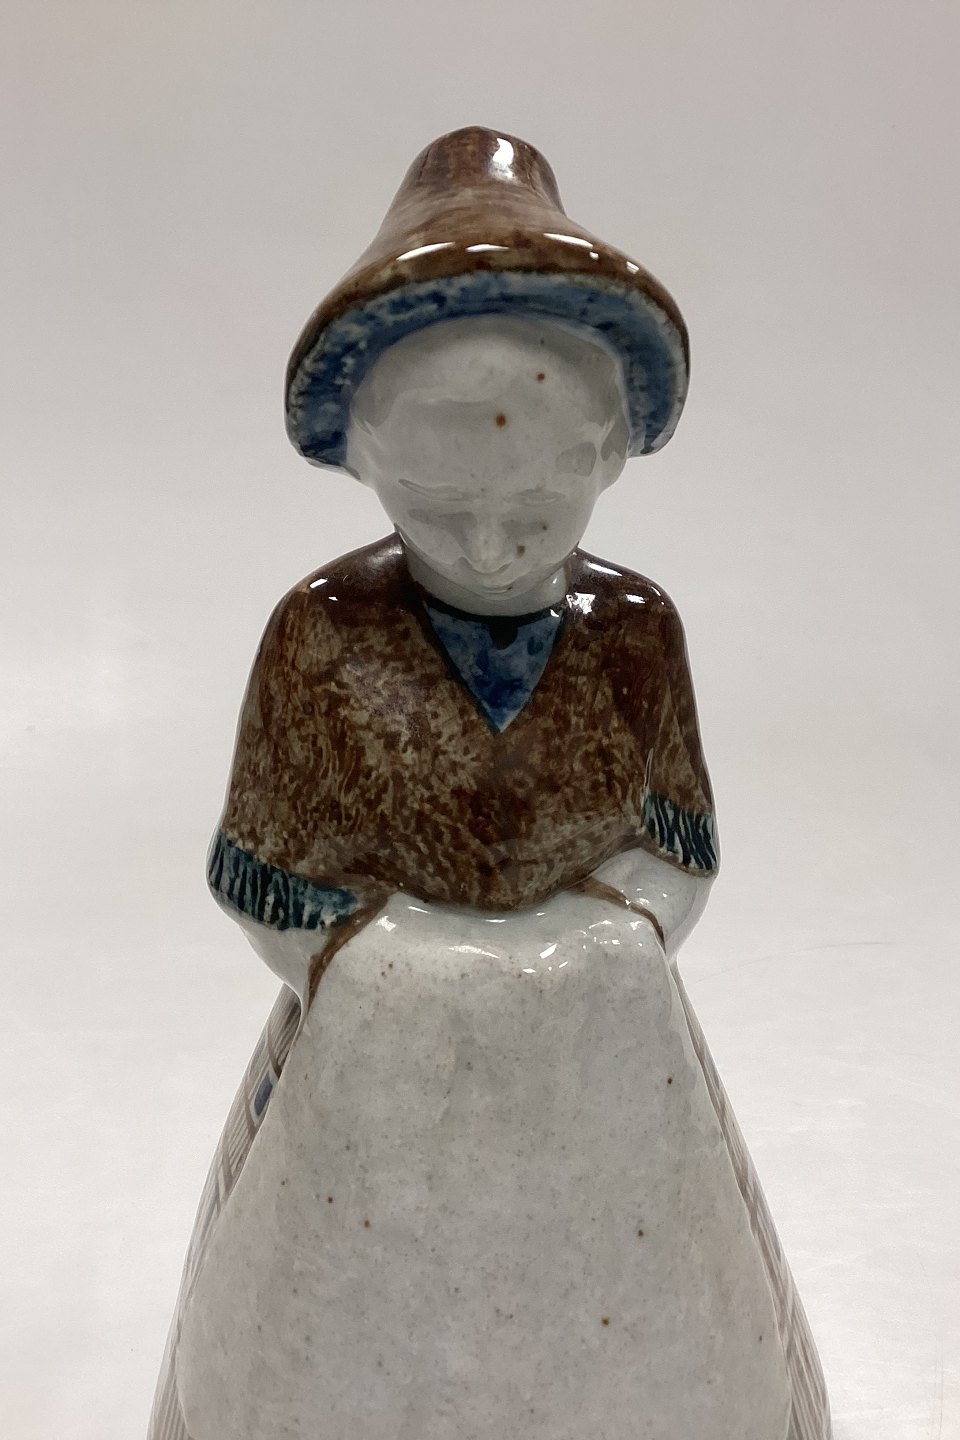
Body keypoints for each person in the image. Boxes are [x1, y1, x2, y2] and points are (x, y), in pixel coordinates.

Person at [148, 127, 831, 1440]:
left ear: (607, 456)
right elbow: (260, 873)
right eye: (440, 506)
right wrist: (379, 967)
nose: (492, 546)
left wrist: (606, 942)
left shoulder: (633, 636)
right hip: (376, 1072)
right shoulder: (322, 639)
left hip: (601, 1057)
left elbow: (680, 847)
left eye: (535, 507)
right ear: (366, 462)